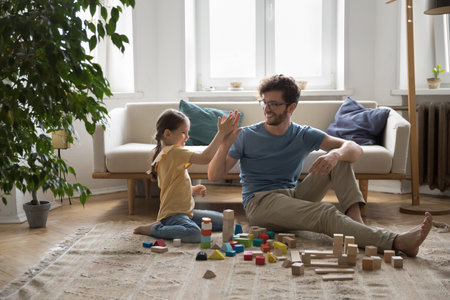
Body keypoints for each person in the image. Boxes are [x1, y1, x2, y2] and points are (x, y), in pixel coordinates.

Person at [208, 74, 432, 257]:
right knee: (325, 213)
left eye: (274, 104)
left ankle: (359, 227)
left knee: (340, 159)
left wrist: (335, 155)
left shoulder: (303, 134)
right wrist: (225, 143)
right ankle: (396, 241)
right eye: (264, 103)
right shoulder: (247, 135)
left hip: (293, 196)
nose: (267, 108)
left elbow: (354, 149)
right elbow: (214, 175)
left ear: (291, 107)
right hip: (261, 202)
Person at [134, 108, 240, 243]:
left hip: (187, 213)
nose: (187, 137)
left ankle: (168, 225)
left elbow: (171, 187)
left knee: (227, 221)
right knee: (195, 234)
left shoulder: (165, 154)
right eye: (183, 133)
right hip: (173, 215)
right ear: (167, 133)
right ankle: (155, 229)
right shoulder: (174, 152)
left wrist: (192, 189)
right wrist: (221, 133)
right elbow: (205, 158)